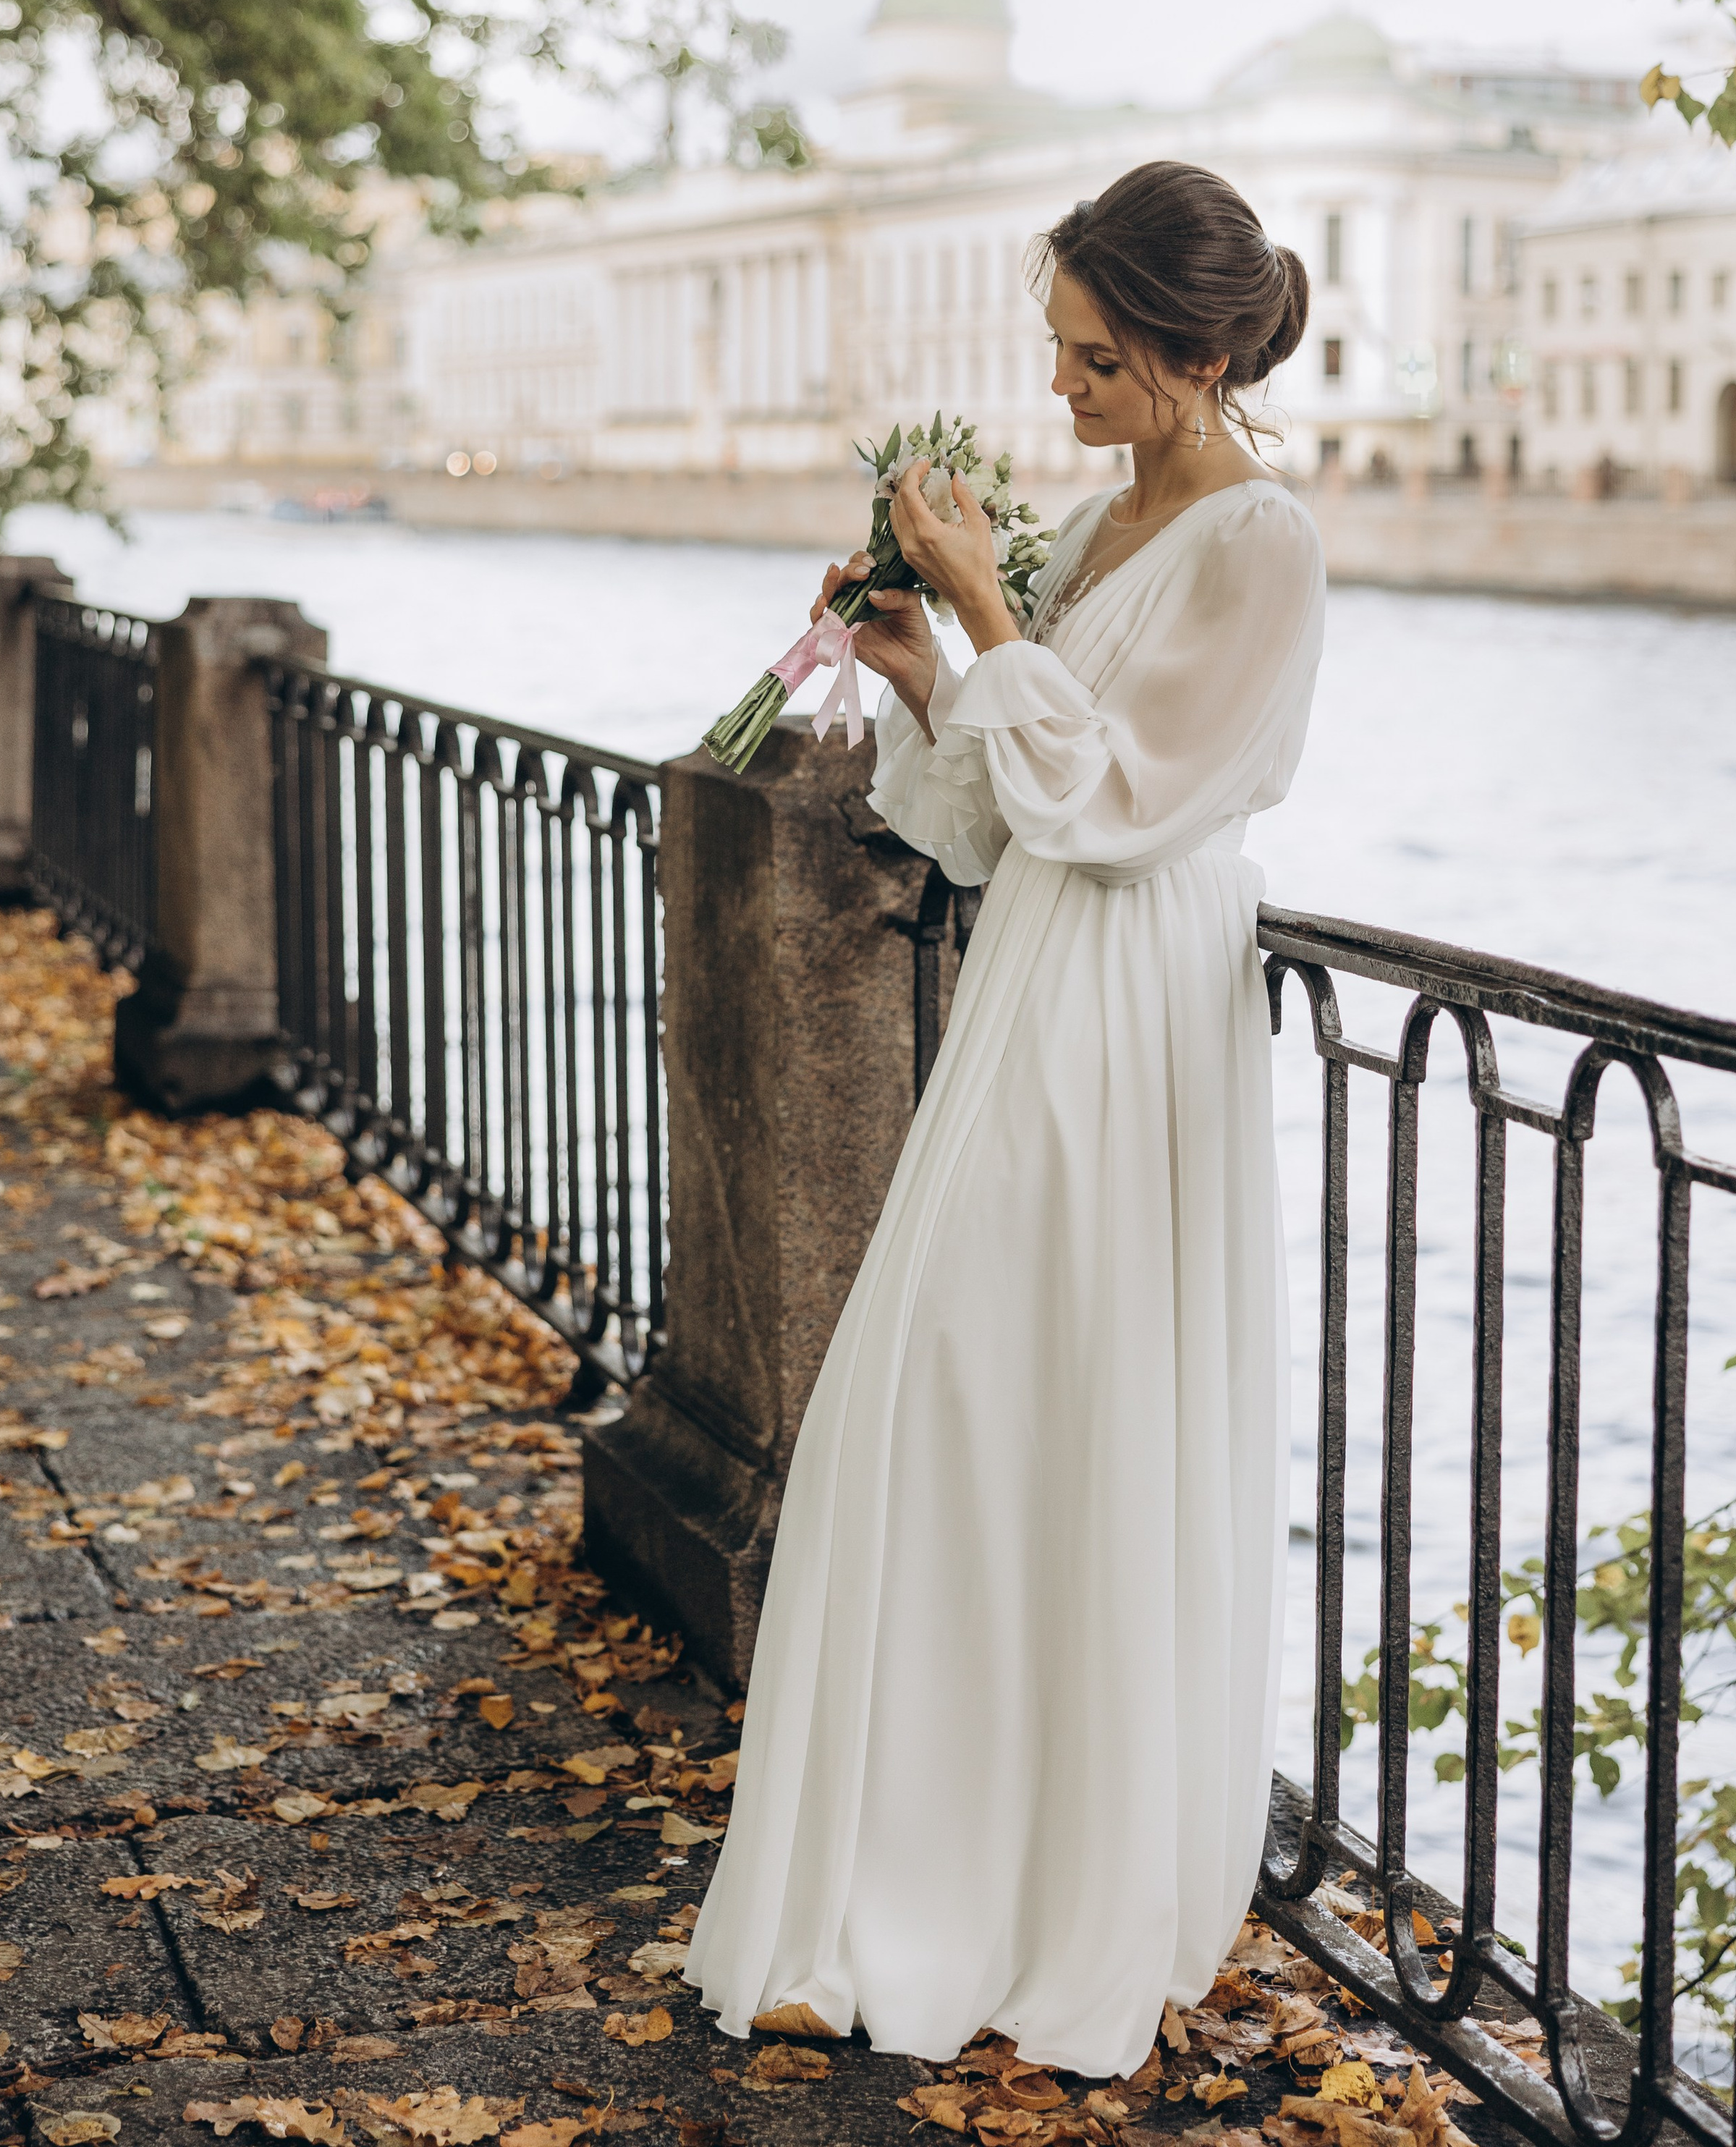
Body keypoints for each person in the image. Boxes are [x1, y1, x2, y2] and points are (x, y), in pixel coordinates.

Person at [685, 159, 1327, 2080]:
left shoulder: (1261, 544)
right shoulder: (1099, 517)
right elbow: (990, 816)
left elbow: (1130, 798)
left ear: (1200, 353)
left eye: (1097, 359)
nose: (1061, 391)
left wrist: (981, 600)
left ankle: (1065, 1886)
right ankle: (892, 1872)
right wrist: (917, 675)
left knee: (1069, 1401)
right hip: (1036, 976)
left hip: (1140, 1001)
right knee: (929, 1397)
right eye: (1053, 352)